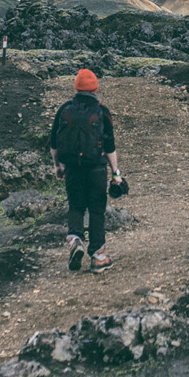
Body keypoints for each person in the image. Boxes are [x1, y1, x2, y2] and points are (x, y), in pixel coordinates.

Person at [49, 68, 121, 272]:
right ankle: (98, 257)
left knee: (76, 206)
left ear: (76, 87)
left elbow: (54, 141)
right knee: (97, 210)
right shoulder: (102, 111)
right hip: (96, 168)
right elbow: (110, 145)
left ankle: (75, 240)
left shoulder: (64, 109)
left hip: (72, 167)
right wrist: (116, 173)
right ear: (95, 88)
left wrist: (57, 165)